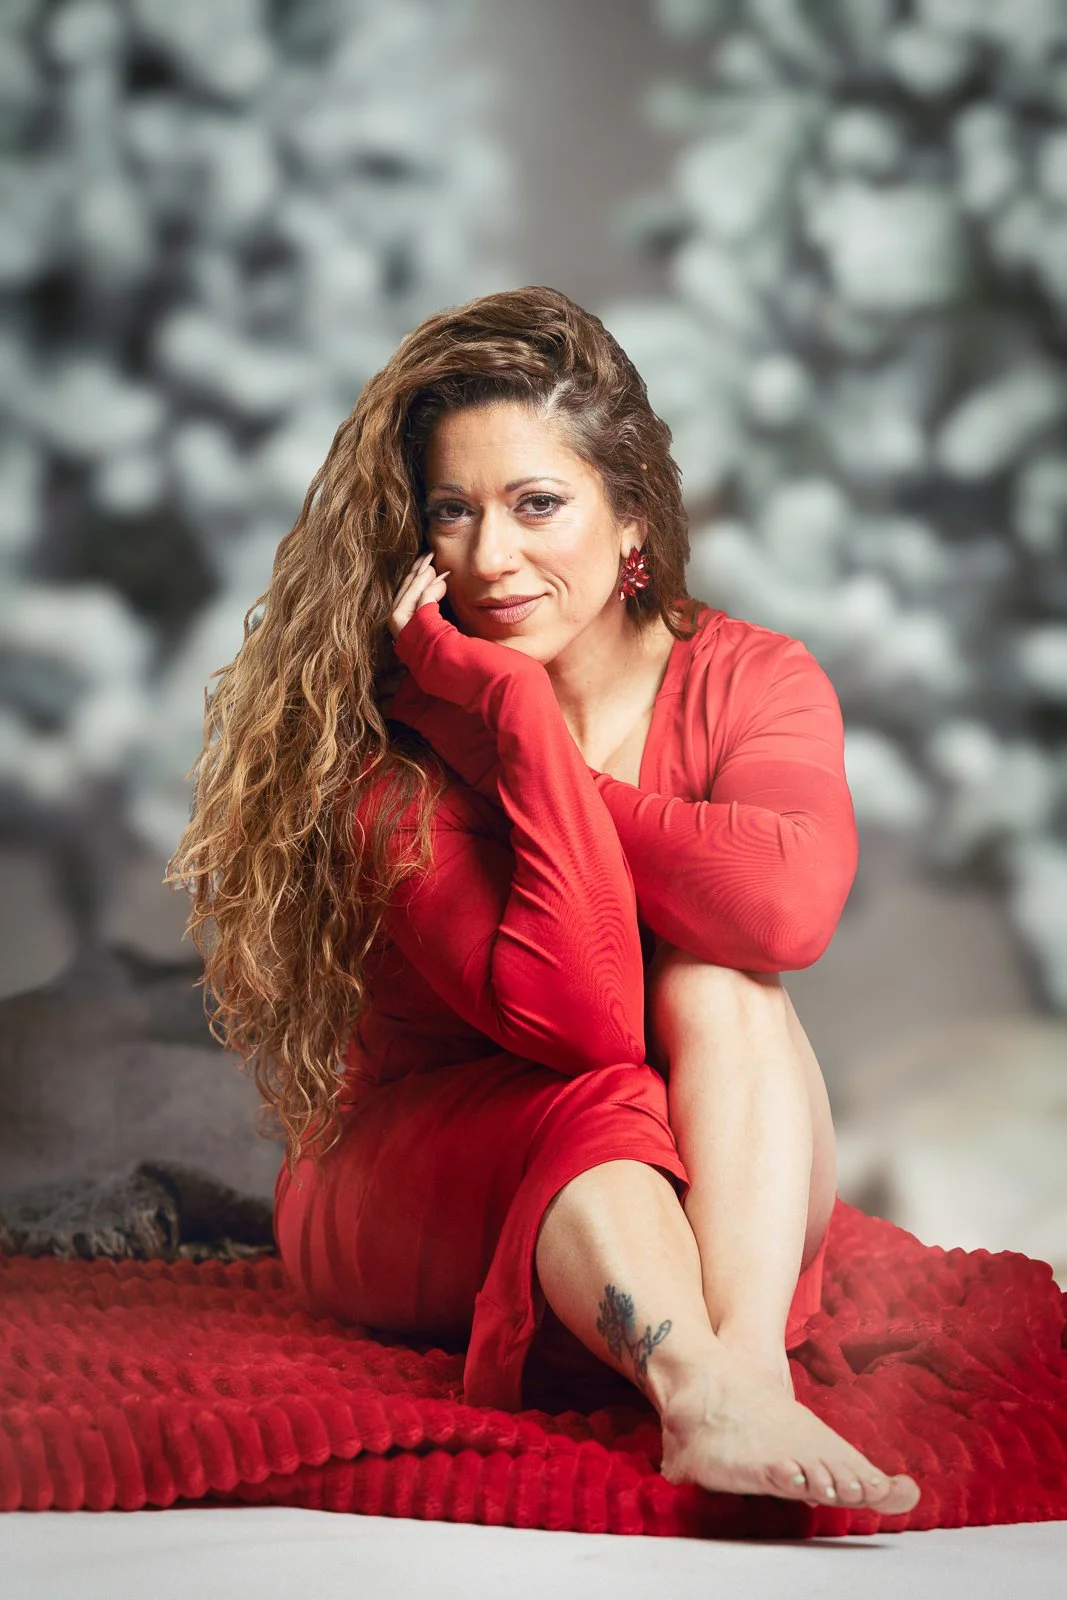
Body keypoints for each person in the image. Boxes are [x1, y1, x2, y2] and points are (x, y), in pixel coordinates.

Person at [167, 286, 920, 1515]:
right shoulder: (393, 746)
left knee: (723, 979)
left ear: (631, 521)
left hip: (682, 1181)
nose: (487, 557)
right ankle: (700, 1391)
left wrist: (540, 771)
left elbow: (786, 913)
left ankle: (742, 1373)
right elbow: (582, 1027)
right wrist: (510, 716)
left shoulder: (746, 678)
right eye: (451, 512)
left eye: (535, 505)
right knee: (601, 1102)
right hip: (412, 1172)